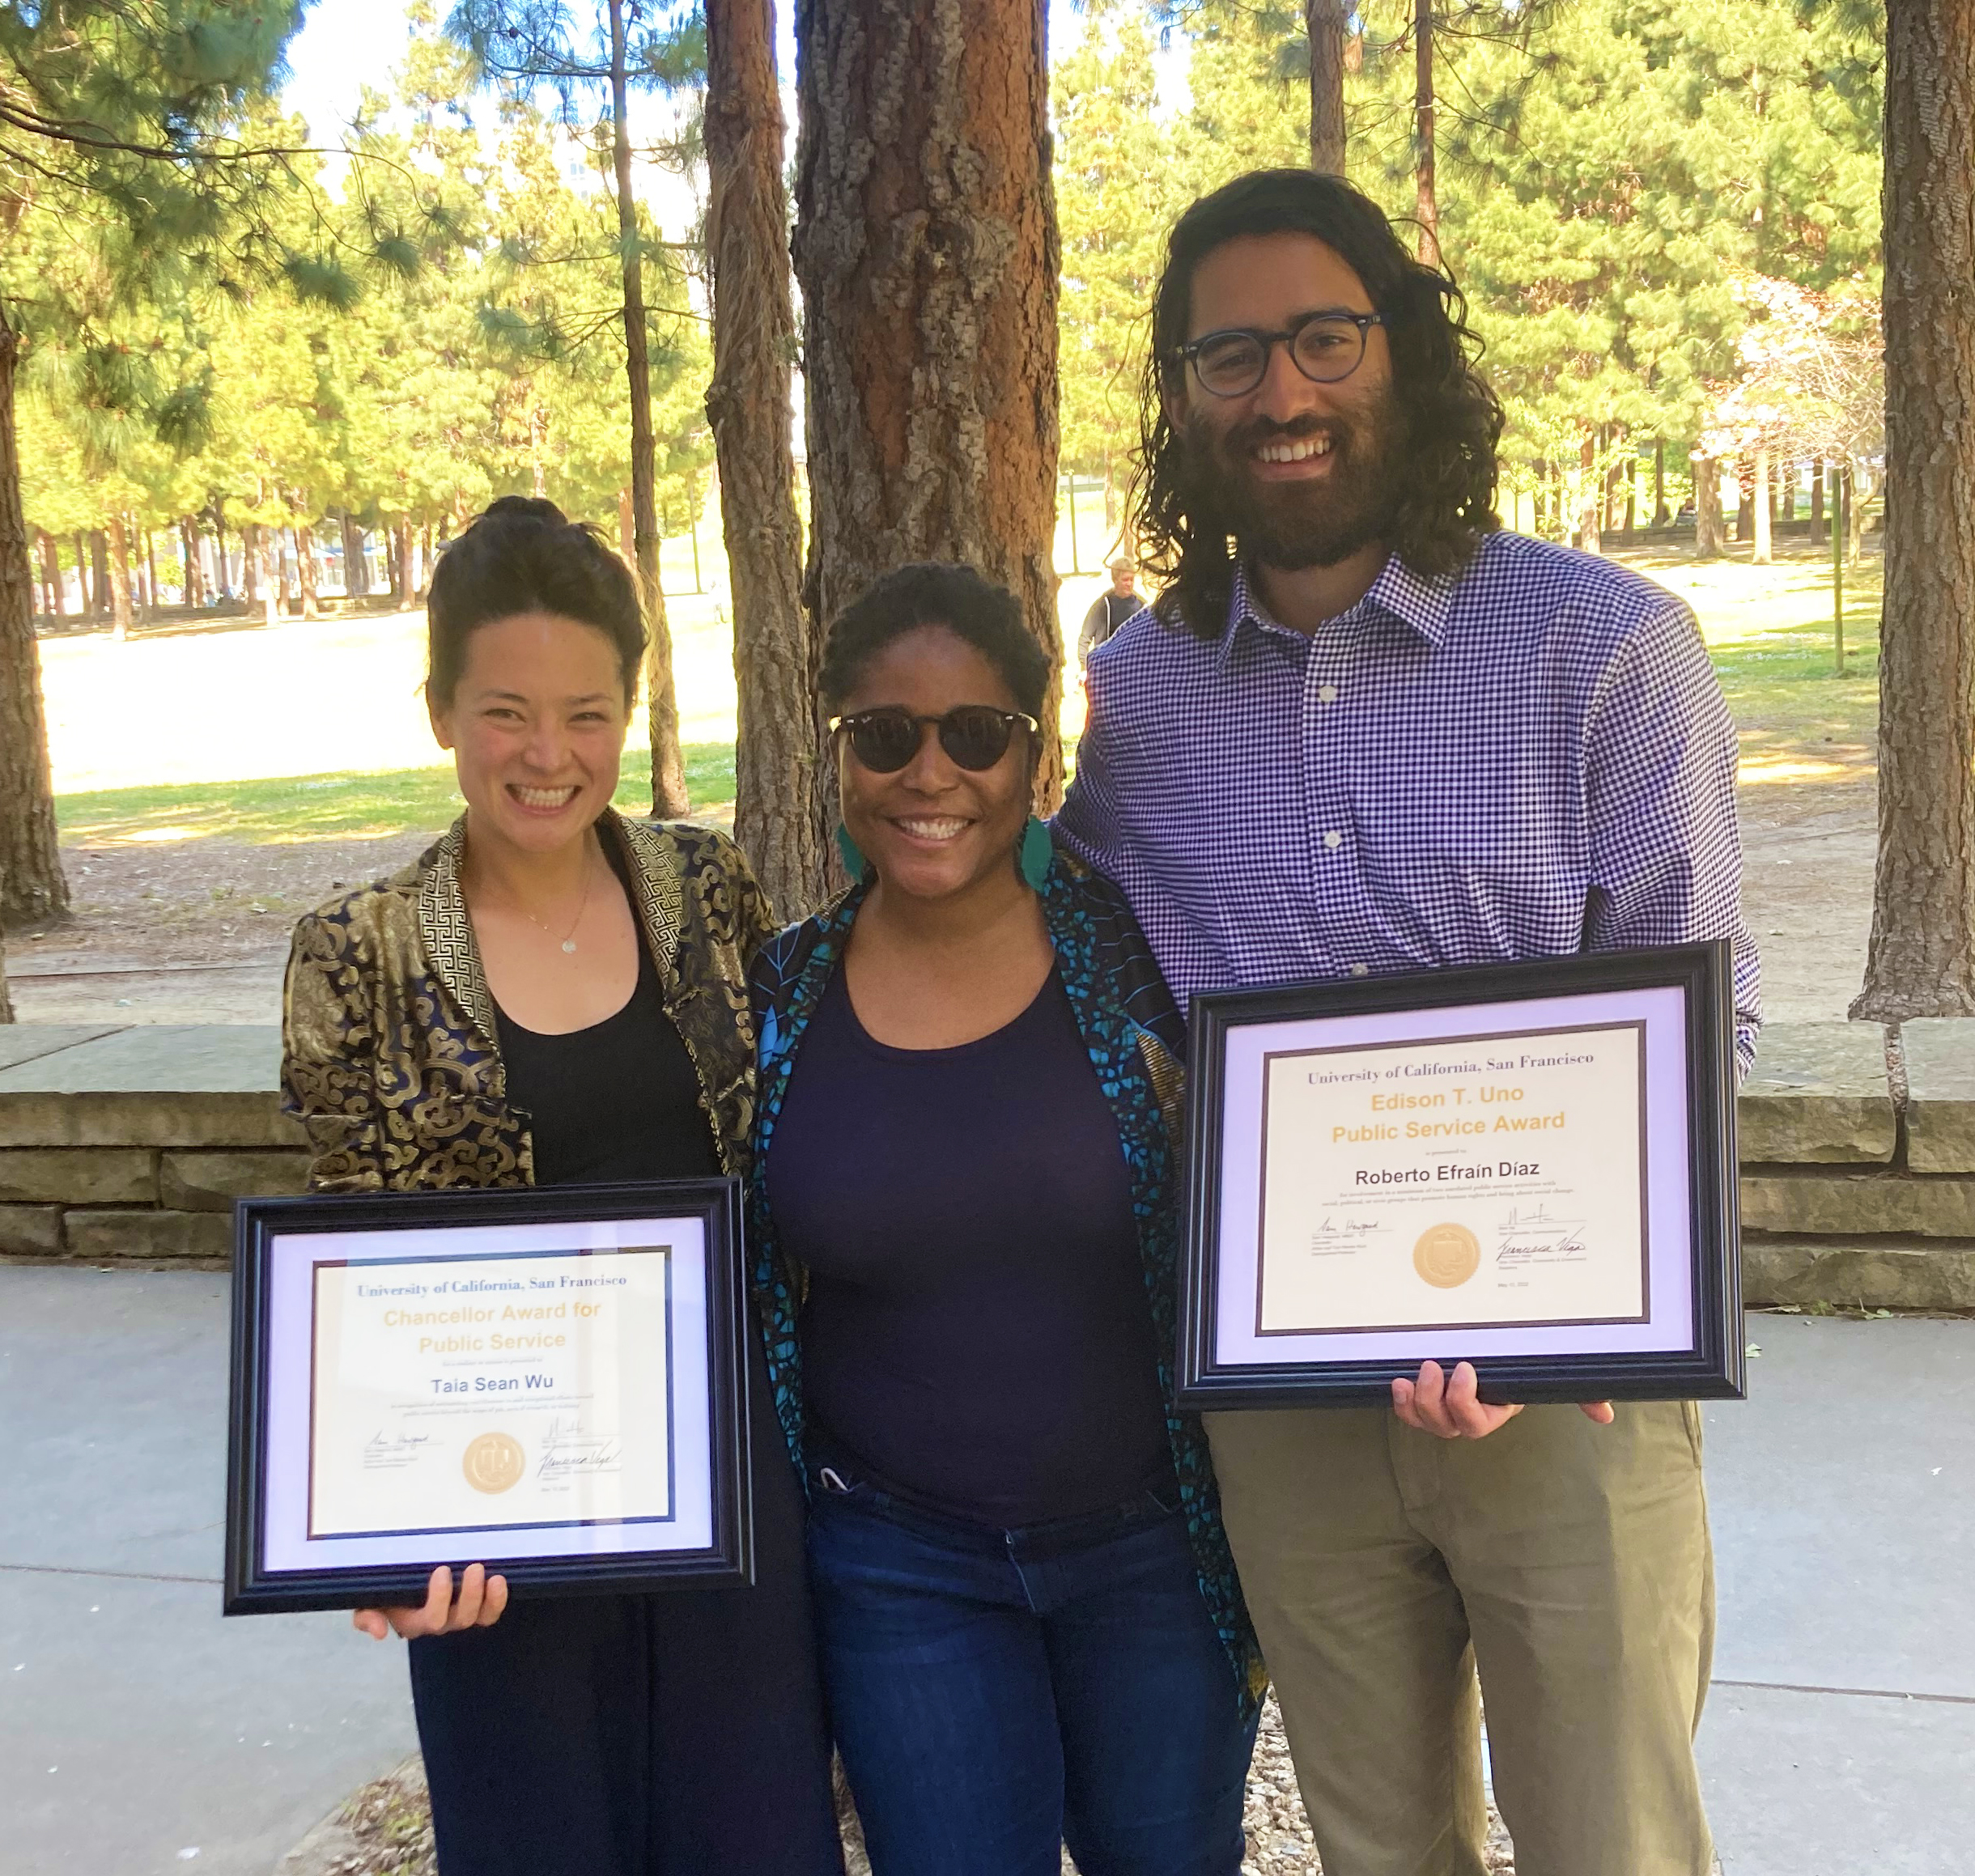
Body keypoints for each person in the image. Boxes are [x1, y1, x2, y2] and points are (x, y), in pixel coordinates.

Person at [1055, 168, 1761, 1876]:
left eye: (1318, 339)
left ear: (1400, 355)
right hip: (1285, 1401)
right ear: (1179, 395)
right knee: (1381, 1847)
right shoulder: (1138, 697)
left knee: (1612, 1840)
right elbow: (1093, 987)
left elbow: (1691, 1019)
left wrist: (1567, 1318)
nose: (1279, 394)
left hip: (1568, 1401)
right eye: (1228, 356)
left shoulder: (1602, 646)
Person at [280, 496, 843, 1876]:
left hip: (722, 1479)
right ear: (440, 710)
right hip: (494, 1516)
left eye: (588, 713)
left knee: (752, 1832)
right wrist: (374, 1532)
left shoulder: (711, 890)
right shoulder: (357, 952)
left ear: (633, 708)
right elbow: (347, 1264)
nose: (549, 755)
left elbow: (786, 1155)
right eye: (507, 712)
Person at [746, 561, 1264, 1876]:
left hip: (1147, 1552)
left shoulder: (1145, 960)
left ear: (1037, 757)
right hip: (896, 1566)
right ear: (839, 753)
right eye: (884, 734)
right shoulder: (781, 996)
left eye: (976, 733)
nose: (931, 773)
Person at [1077, 556, 1141, 664]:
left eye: (1132, 579)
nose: (1129, 584)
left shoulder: (1141, 606)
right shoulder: (1104, 604)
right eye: (1125, 580)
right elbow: (1085, 637)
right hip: (1107, 664)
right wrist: (1084, 666)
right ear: (1115, 579)